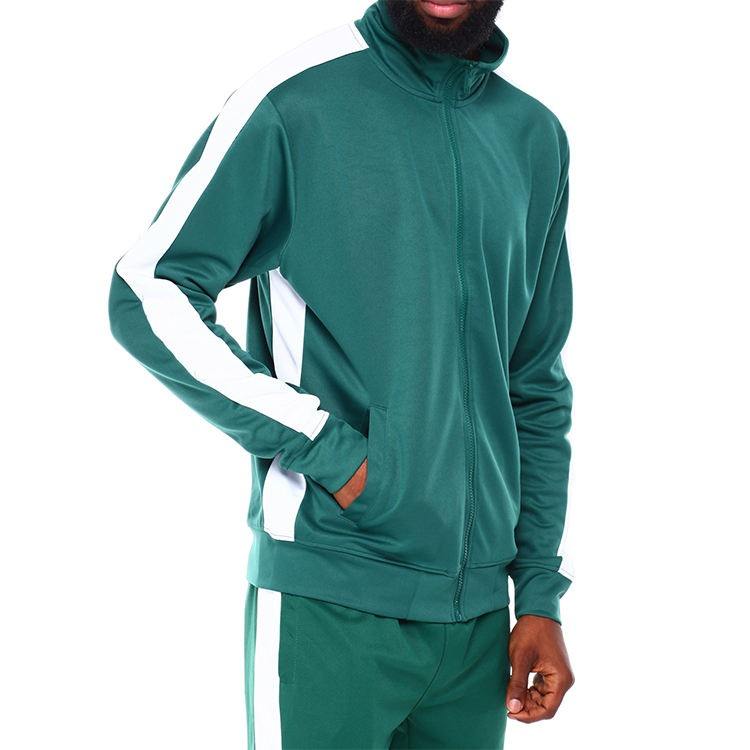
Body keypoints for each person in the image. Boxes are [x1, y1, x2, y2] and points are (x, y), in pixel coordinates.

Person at [108, 0, 575, 746]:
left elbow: (533, 381)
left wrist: (539, 594)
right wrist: (329, 451)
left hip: (479, 628)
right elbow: (148, 290)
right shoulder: (298, 100)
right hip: (330, 596)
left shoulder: (533, 136)